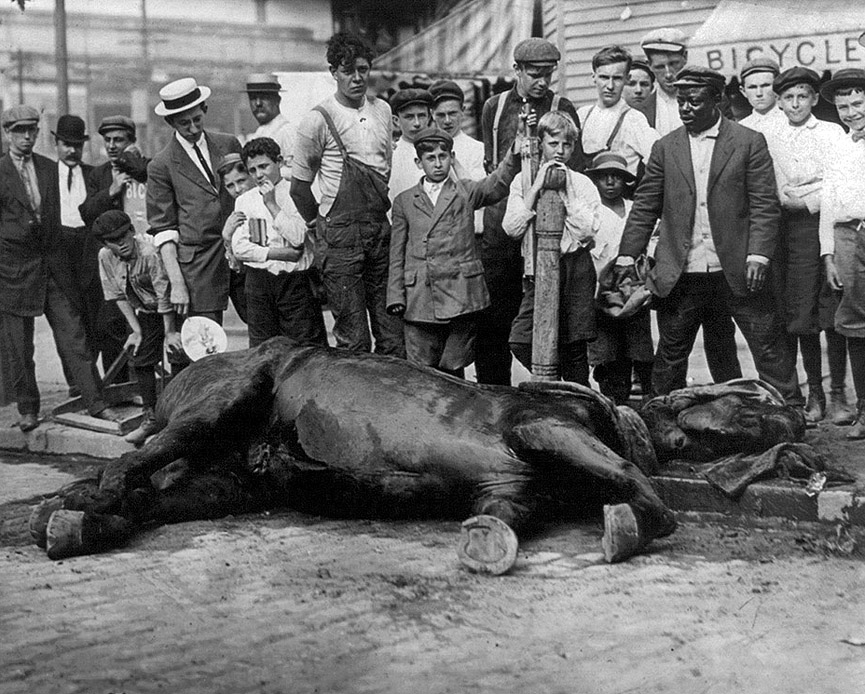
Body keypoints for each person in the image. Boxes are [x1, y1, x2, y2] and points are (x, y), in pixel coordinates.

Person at [615, 66, 802, 406]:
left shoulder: (748, 142)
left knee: (767, 345)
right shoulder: (665, 148)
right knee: (670, 354)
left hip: (740, 269)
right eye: (682, 101)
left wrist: (758, 255)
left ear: (716, 100)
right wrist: (628, 255)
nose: (686, 108)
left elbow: (765, 205)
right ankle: (658, 418)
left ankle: (790, 410)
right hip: (683, 272)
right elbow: (644, 206)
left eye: (695, 102)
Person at [0, 105, 121, 432]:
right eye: (18, 132)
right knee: (20, 347)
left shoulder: (49, 169)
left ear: (39, 133)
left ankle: (97, 403)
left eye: (31, 131)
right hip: (12, 270)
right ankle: (28, 409)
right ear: (7, 133)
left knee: (74, 336)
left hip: (51, 266)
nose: (26, 138)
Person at [478, 37, 585, 385]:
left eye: (547, 74)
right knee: (494, 319)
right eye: (534, 74)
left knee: (551, 315)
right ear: (517, 70)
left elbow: (575, 170)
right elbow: (490, 168)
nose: (542, 82)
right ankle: (495, 393)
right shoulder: (493, 108)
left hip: (547, 229)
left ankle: (558, 390)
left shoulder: (562, 106)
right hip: (501, 228)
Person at [290, 32, 405, 357]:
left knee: (393, 337)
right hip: (339, 239)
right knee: (353, 341)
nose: (356, 77)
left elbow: (385, 168)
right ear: (333, 73)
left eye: (362, 69)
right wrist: (321, 225)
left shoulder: (382, 110)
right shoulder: (318, 119)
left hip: (379, 232)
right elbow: (299, 188)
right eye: (347, 70)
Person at [386, 127, 520, 378]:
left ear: (451, 157)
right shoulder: (404, 201)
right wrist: (396, 295)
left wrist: (514, 152)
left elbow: (497, 184)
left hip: (460, 295)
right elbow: (397, 253)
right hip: (420, 298)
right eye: (430, 158)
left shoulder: (465, 192)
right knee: (422, 372)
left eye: (443, 156)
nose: (438, 164)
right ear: (419, 162)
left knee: (452, 370)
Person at [764, 67, 850, 425]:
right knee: (802, 316)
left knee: (833, 313)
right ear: (779, 102)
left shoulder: (832, 132)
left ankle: (839, 394)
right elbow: (776, 184)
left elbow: (837, 180)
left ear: (815, 98)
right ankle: (814, 392)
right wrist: (794, 194)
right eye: (788, 97)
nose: (795, 103)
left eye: (802, 96)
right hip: (791, 234)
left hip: (827, 223)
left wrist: (809, 197)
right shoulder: (770, 134)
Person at [503, 111, 600, 385]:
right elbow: (512, 228)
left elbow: (587, 231)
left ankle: (578, 400)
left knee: (574, 345)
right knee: (521, 338)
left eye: (567, 145)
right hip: (539, 267)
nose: (560, 151)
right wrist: (536, 186)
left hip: (575, 268)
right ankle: (552, 381)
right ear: (542, 143)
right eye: (553, 143)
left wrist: (568, 192)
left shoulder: (582, 184)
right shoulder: (523, 180)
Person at [147, 77, 242, 331]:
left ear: (205, 110)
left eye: (197, 119)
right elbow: (164, 230)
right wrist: (177, 284)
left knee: (263, 329)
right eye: (183, 123)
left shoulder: (229, 144)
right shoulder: (161, 165)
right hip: (199, 268)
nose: (192, 128)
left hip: (242, 253)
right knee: (206, 341)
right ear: (170, 123)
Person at [92, 210, 181, 445]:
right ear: (105, 244)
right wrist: (136, 331)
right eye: (113, 241)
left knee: (178, 356)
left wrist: (170, 333)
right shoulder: (105, 257)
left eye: (124, 236)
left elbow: (165, 294)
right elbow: (117, 295)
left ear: (132, 231)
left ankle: (179, 421)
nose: (121, 244)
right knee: (141, 357)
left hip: (175, 307)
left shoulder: (149, 251)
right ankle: (150, 418)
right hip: (147, 311)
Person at [231, 137, 327, 348]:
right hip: (259, 283)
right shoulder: (244, 200)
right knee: (262, 350)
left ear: (280, 162)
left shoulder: (297, 194)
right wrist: (278, 253)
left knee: (305, 348)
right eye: (252, 170)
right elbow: (240, 247)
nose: (259, 175)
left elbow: (298, 238)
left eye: (264, 166)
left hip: (294, 282)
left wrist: (272, 205)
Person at [79, 115, 149, 380]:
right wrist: (111, 190)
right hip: (109, 263)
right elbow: (86, 212)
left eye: (118, 140)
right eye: (107, 140)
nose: (111, 145)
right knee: (110, 323)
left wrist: (135, 163)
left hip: (139, 258)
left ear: (131, 141)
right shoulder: (98, 174)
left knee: (142, 321)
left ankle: (139, 382)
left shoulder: (142, 169)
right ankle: (117, 384)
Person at [819, 68, 865, 438]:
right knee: (854, 322)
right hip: (847, 236)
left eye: (858, 103)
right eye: (845, 106)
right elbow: (829, 202)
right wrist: (828, 254)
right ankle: (864, 411)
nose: (852, 112)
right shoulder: (837, 145)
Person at [586, 152, 653, 403]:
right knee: (607, 349)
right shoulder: (591, 212)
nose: (611, 182)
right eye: (604, 177)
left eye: (617, 176)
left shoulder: (635, 210)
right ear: (596, 181)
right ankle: (615, 398)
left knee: (638, 345)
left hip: (633, 286)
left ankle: (646, 397)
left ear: (626, 180)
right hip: (601, 289)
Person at [52, 114, 99, 388]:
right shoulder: (47, 175)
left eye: (77, 145)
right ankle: (77, 383)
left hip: (87, 250)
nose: (72, 151)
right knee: (68, 324)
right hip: (60, 251)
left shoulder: (93, 175)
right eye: (66, 144)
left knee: (91, 317)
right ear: (56, 143)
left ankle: (90, 382)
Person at [577, 45, 658, 178]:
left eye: (617, 78)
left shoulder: (633, 119)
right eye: (604, 77)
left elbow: (658, 161)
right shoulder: (582, 115)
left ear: (627, 79)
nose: (610, 86)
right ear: (594, 77)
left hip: (621, 196)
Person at [429, 79, 486, 235]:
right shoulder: (423, 148)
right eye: (441, 115)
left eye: (452, 113)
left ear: (463, 110)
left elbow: (477, 197)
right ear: (432, 114)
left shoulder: (477, 149)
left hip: (468, 233)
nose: (447, 121)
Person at [216, 152, 254, 323]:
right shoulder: (235, 212)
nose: (237, 190)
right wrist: (227, 237)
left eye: (241, 181)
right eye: (230, 185)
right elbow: (236, 265)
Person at [635, 28, 689, 135]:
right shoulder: (639, 113)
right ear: (649, 65)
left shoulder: (713, 102)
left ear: (685, 57)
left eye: (674, 64)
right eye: (660, 67)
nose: (668, 74)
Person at [243, 73, 294, 180]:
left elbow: (296, 174)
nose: (258, 103)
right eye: (253, 98)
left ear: (277, 100)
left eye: (264, 97)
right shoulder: (259, 132)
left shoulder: (287, 131)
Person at [388, 88, 433, 205]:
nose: (417, 123)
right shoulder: (390, 154)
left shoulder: (440, 152)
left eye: (422, 116)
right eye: (409, 117)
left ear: (429, 117)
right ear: (396, 120)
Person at [738, 58, 786, 134]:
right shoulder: (740, 128)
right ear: (743, 91)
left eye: (765, 85)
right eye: (752, 87)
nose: (759, 93)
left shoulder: (793, 123)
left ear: (778, 87)